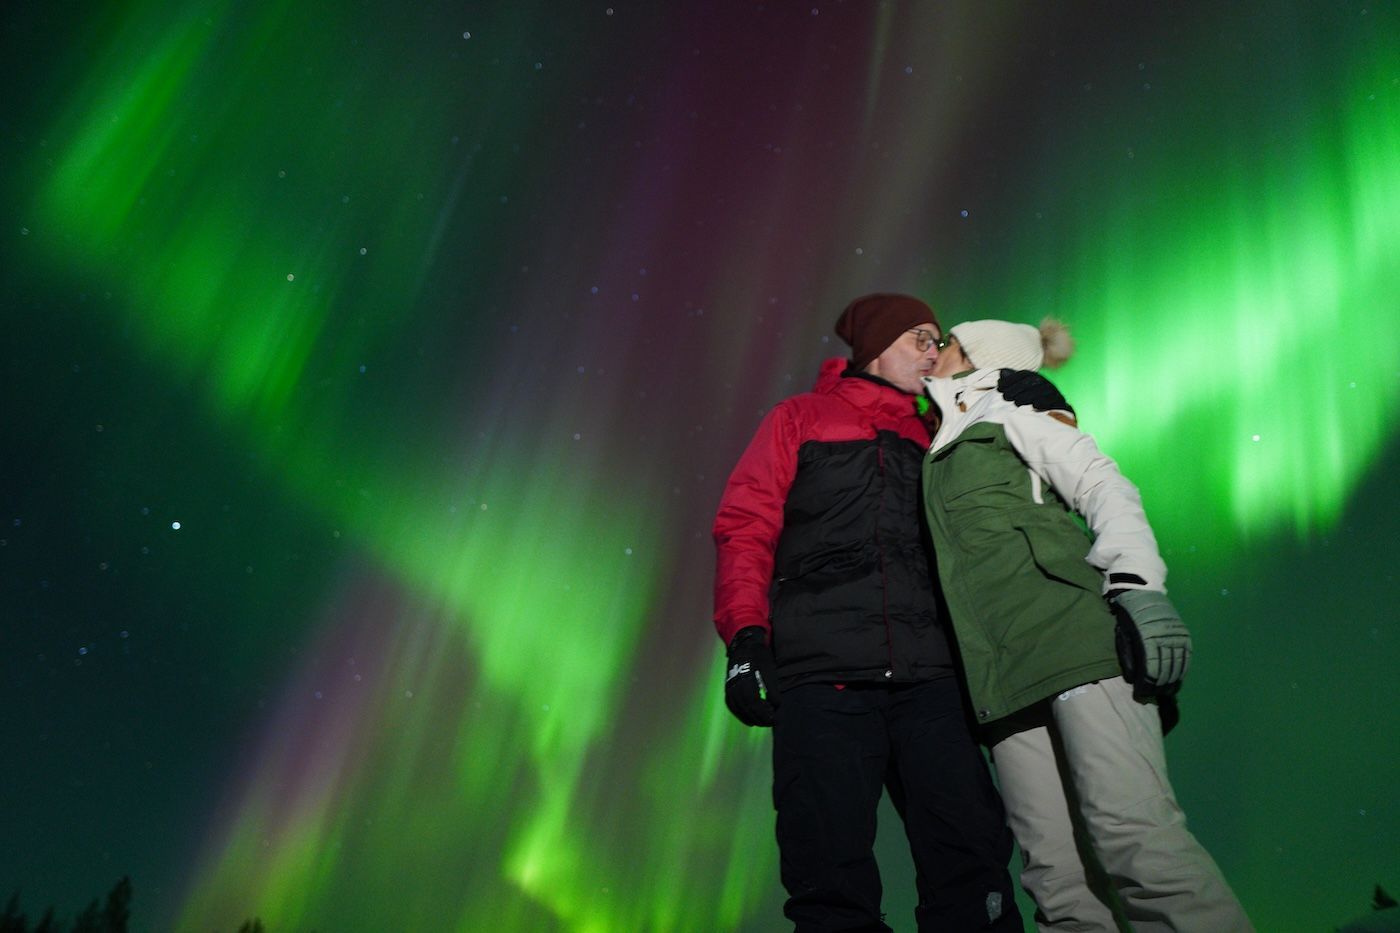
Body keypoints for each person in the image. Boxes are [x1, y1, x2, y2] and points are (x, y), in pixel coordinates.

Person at [920, 317, 1254, 932]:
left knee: (1137, 845)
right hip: (1002, 676)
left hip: (1073, 641)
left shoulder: (1013, 406)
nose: (933, 353)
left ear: (977, 356)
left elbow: (1103, 485)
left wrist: (1136, 587)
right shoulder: (938, 441)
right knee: (1059, 881)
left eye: (947, 344)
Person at [712, 293, 1030, 933]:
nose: (934, 352)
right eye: (919, 337)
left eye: (939, 340)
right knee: (828, 875)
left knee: (971, 860)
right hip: (823, 679)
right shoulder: (798, 418)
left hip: (933, 681)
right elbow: (746, 528)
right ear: (876, 348)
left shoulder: (938, 434)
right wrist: (747, 639)